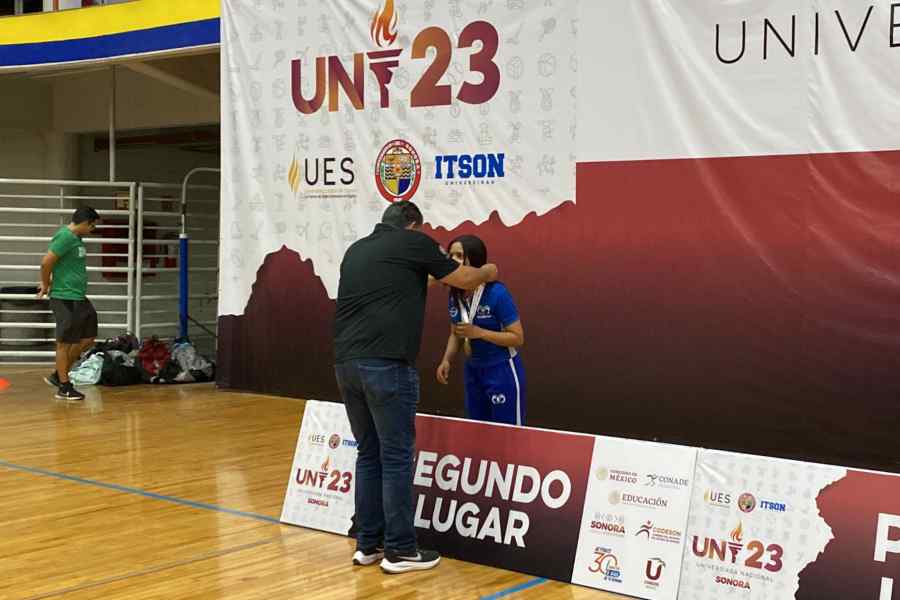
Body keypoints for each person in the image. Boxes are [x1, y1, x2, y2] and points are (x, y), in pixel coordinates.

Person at [334, 201, 498, 574]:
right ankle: (401, 550)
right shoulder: (415, 243)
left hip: (346, 364)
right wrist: (488, 269)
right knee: (395, 457)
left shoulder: (357, 249)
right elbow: (466, 279)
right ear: (413, 225)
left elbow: (418, 279)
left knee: (369, 454)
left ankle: (368, 545)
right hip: (387, 364)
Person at [436, 235, 526, 425]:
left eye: (459, 255)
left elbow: (517, 338)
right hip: (473, 370)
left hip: (502, 369)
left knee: (508, 434)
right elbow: (456, 332)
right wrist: (447, 360)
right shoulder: (455, 294)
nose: (453, 260)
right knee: (477, 430)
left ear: (474, 259)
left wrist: (480, 333)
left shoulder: (497, 293)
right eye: (451, 255)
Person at [37, 206, 100, 401]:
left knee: (88, 338)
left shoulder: (77, 239)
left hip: (79, 297)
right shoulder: (64, 237)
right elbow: (46, 262)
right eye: (92, 226)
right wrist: (45, 285)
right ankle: (64, 387)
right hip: (64, 297)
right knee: (64, 343)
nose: (93, 230)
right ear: (84, 222)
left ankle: (59, 374)